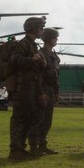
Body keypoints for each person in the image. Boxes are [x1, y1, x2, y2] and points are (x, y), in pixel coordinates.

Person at [8, 16, 46, 161]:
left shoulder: (33, 45)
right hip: (22, 89)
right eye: (41, 28)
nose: (42, 31)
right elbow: (14, 60)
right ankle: (15, 150)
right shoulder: (24, 44)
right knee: (19, 119)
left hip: (32, 89)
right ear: (34, 29)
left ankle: (21, 148)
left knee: (29, 118)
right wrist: (32, 60)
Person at [28, 27, 60, 155]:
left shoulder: (54, 56)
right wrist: (41, 93)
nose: (56, 40)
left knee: (47, 119)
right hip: (42, 89)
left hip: (51, 90)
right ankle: (33, 146)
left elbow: (57, 75)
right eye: (55, 37)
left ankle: (42, 144)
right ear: (48, 39)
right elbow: (37, 76)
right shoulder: (41, 54)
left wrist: (57, 92)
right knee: (38, 118)